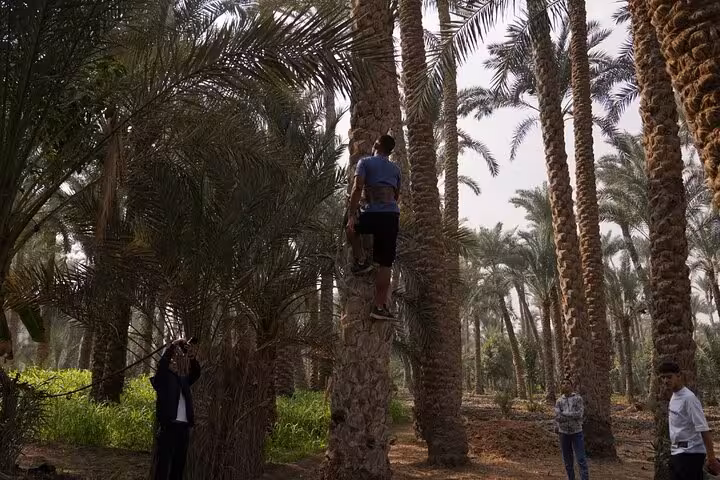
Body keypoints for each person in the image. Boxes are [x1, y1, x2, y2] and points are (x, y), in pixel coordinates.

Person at [346, 134, 401, 321]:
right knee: (386, 264)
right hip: (391, 216)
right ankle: (379, 307)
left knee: (350, 227)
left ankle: (361, 260)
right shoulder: (395, 169)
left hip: (372, 213)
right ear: (390, 151)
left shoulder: (365, 162)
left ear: (376, 145)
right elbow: (396, 196)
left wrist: (352, 214)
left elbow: (357, 188)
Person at [658, 360, 720, 479]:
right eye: (663, 377)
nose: (666, 381)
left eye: (669, 377)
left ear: (679, 376)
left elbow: (704, 429)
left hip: (690, 454)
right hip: (678, 453)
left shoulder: (689, 398)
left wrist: (712, 459)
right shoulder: (674, 396)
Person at [150, 338, 201, 480]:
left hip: (183, 429)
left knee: (178, 467)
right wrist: (173, 345)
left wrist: (191, 357)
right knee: (163, 467)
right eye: (171, 361)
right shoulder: (162, 380)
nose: (173, 362)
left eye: (175, 361)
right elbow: (162, 366)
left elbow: (196, 373)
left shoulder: (183, 381)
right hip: (169, 428)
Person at [555, 377, 589, 480]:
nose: (565, 385)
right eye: (563, 383)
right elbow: (558, 417)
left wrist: (564, 414)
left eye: (568, 383)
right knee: (567, 461)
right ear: (561, 386)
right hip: (563, 433)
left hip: (576, 432)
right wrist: (569, 416)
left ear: (572, 386)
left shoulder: (578, 399)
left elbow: (579, 414)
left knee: (581, 459)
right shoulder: (559, 401)